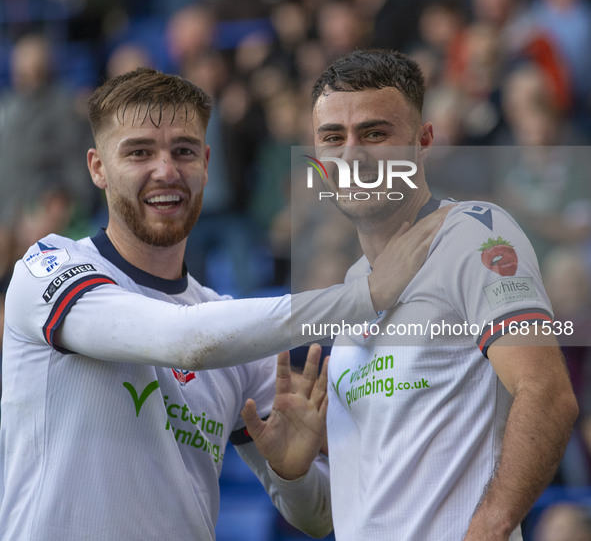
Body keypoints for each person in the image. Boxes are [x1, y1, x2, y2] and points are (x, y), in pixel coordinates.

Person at [0, 67, 449, 540]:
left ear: (207, 164)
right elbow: (184, 339)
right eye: (138, 152)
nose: (166, 170)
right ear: (98, 168)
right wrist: (363, 296)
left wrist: (294, 475)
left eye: (184, 151)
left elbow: (320, 518)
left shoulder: (227, 333)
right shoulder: (47, 269)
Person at [243, 49, 579, 541]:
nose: (352, 154)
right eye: (333, 138)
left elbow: (547, 395)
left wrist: (489, 527)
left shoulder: (474, 233)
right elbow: (340, 516)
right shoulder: (354, 288)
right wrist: (293, 474)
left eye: (375, 133)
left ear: (423, 143)